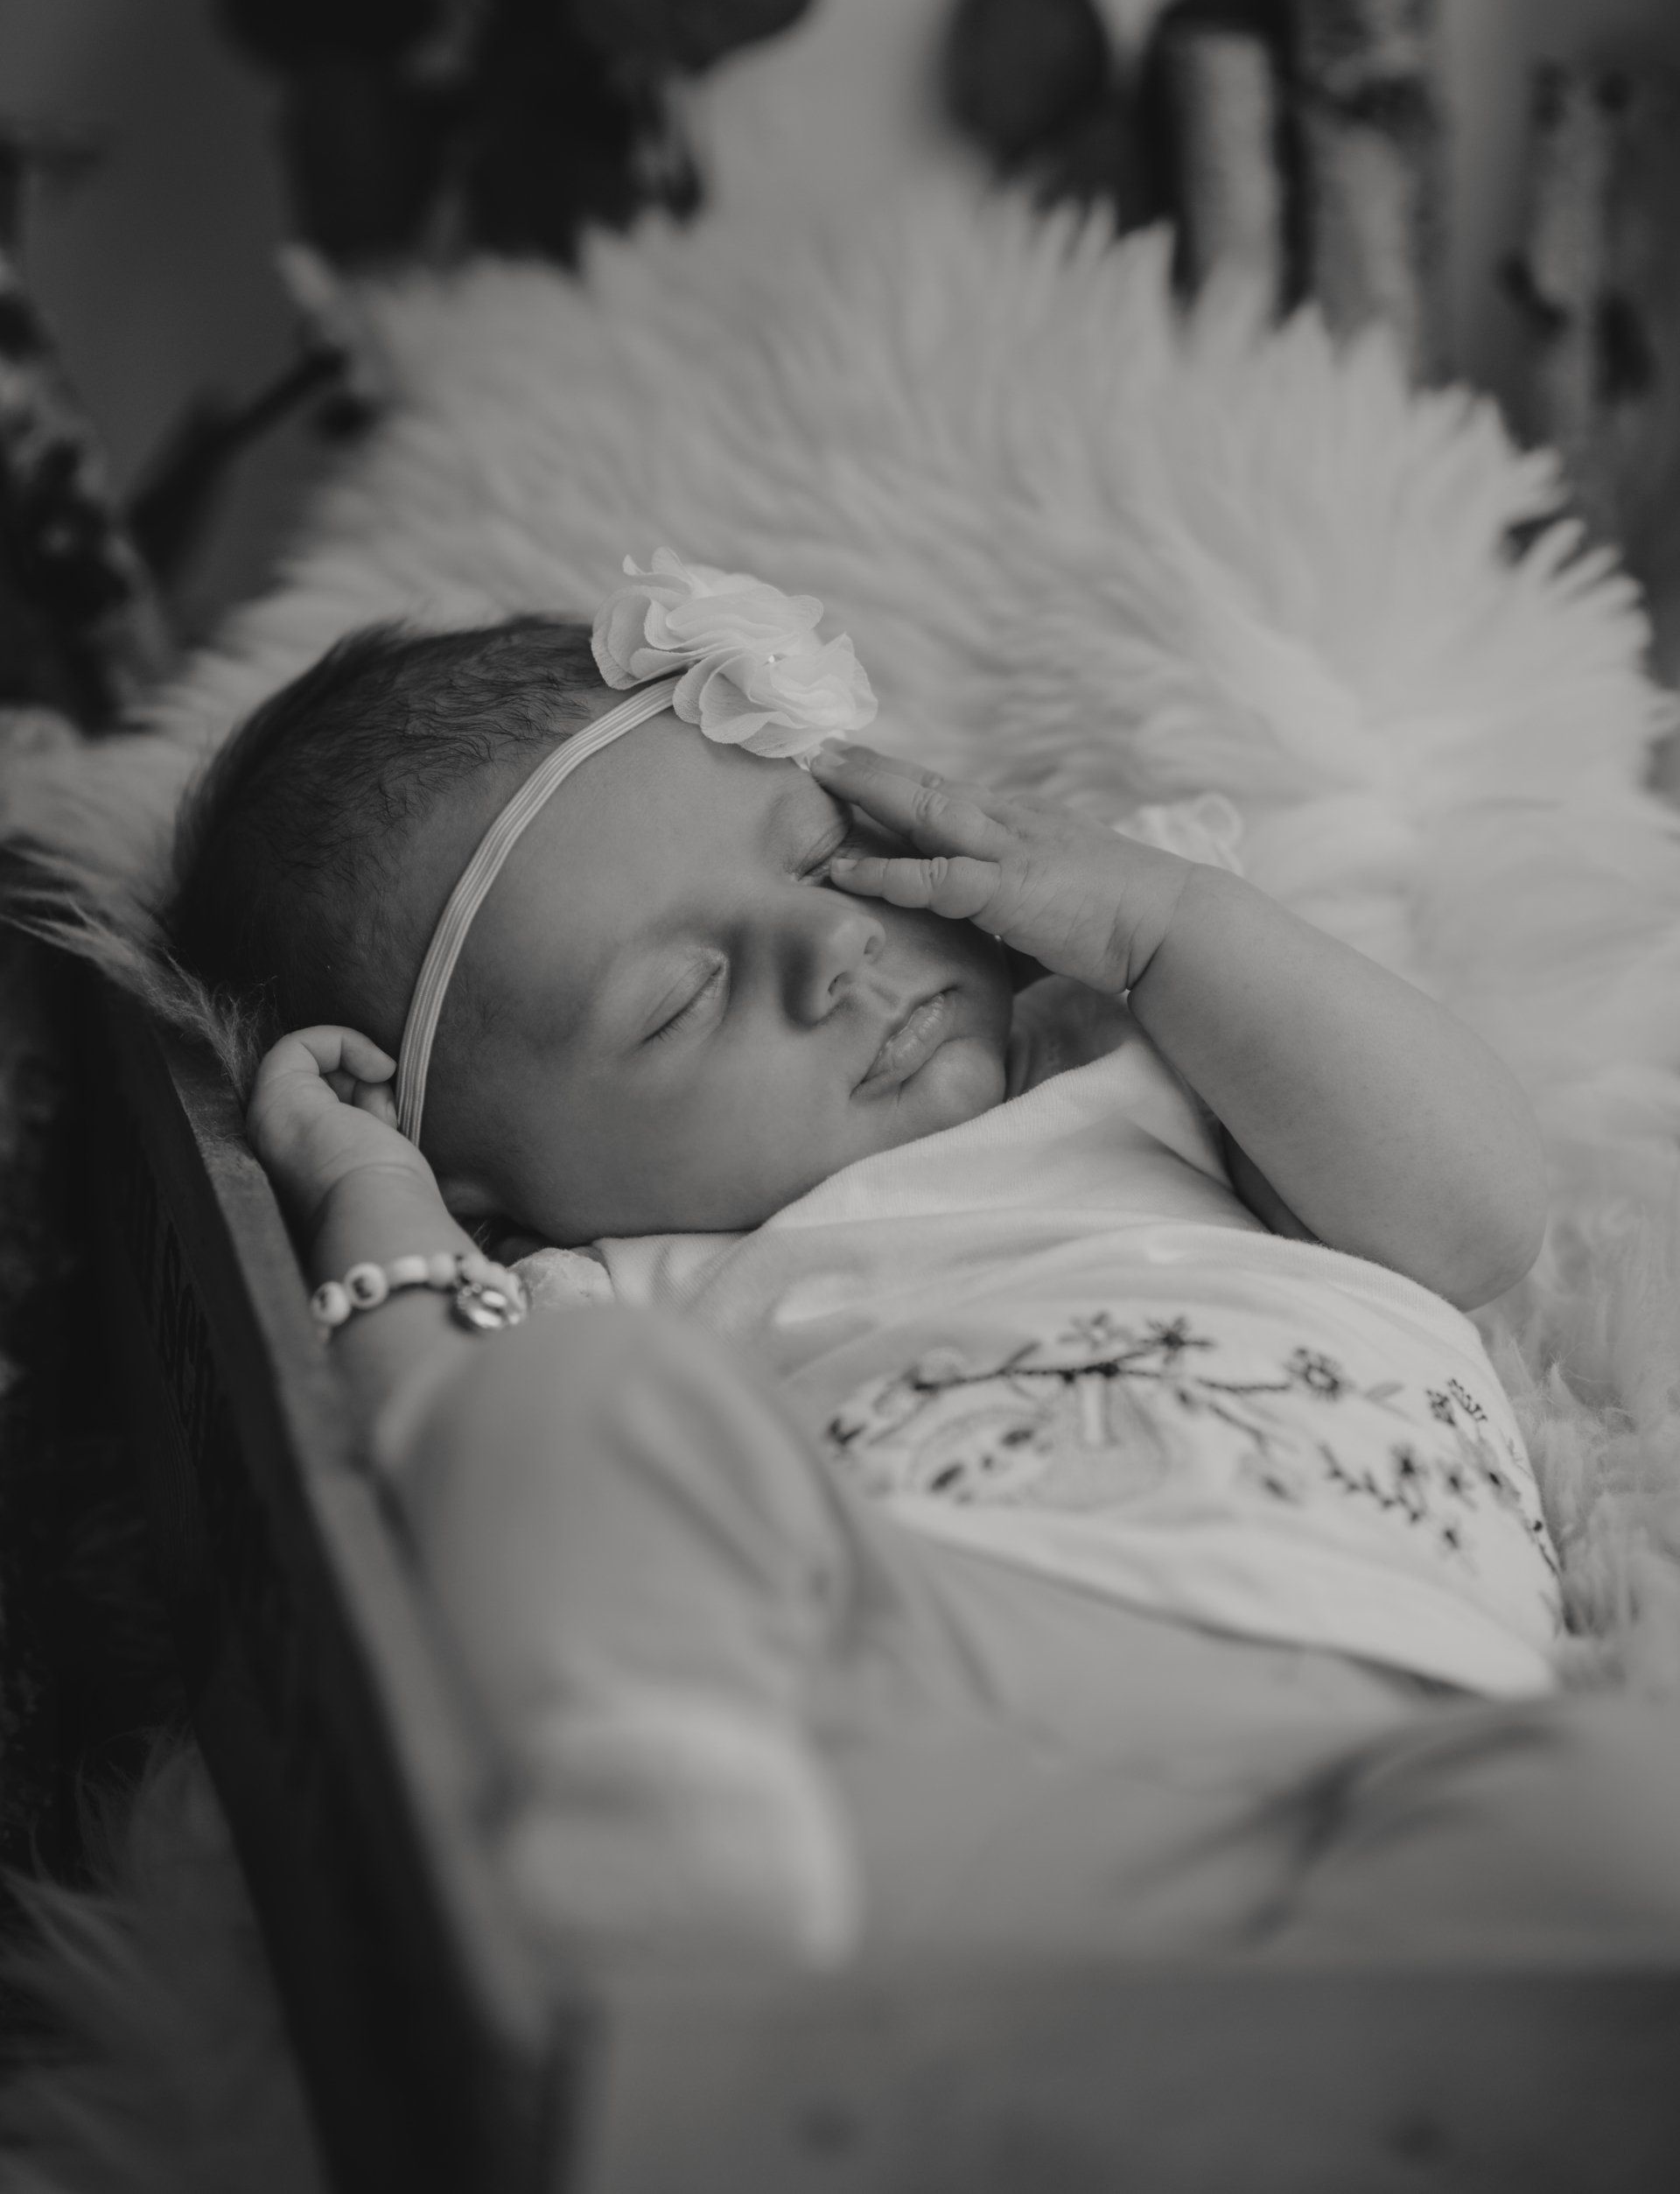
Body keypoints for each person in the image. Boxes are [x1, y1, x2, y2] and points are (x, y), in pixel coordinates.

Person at [171, 556, 1680, 1970]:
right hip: (913, 1705)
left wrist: (1164, 926)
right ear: (490, 1180)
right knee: (555, 1406)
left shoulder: (1149, 1049)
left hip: (1395, 1752)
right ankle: (674, 1883)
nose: (830, 950)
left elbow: (1475, 1218)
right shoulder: (623, 1286)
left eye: (830, 860)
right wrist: (376, 1196)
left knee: (1626, 1809)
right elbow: (428, 1432)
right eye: (683, 1000)